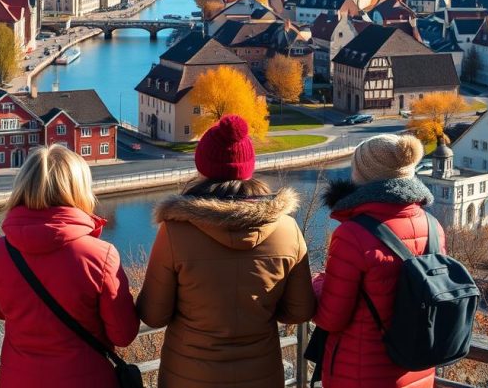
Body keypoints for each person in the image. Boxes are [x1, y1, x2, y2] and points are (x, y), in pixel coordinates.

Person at [137, 114, 316, 388]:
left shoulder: (176, 232)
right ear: (249, 167)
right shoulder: (287, 230)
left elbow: (153, 315)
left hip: (190, 378)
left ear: (203, 166)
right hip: (261, 375)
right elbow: (300, 310)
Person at [0, 144, 139, 388]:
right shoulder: (100, 255)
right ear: (79, 190)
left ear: (22, 186)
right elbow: (123, 335)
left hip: (18, 380)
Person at [313, 134, 443, 388]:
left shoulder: (353, 234)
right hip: (417, 370)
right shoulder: (433, 226)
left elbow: (331, 318)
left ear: (363, 175)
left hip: (360, 374)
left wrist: (317, 282)